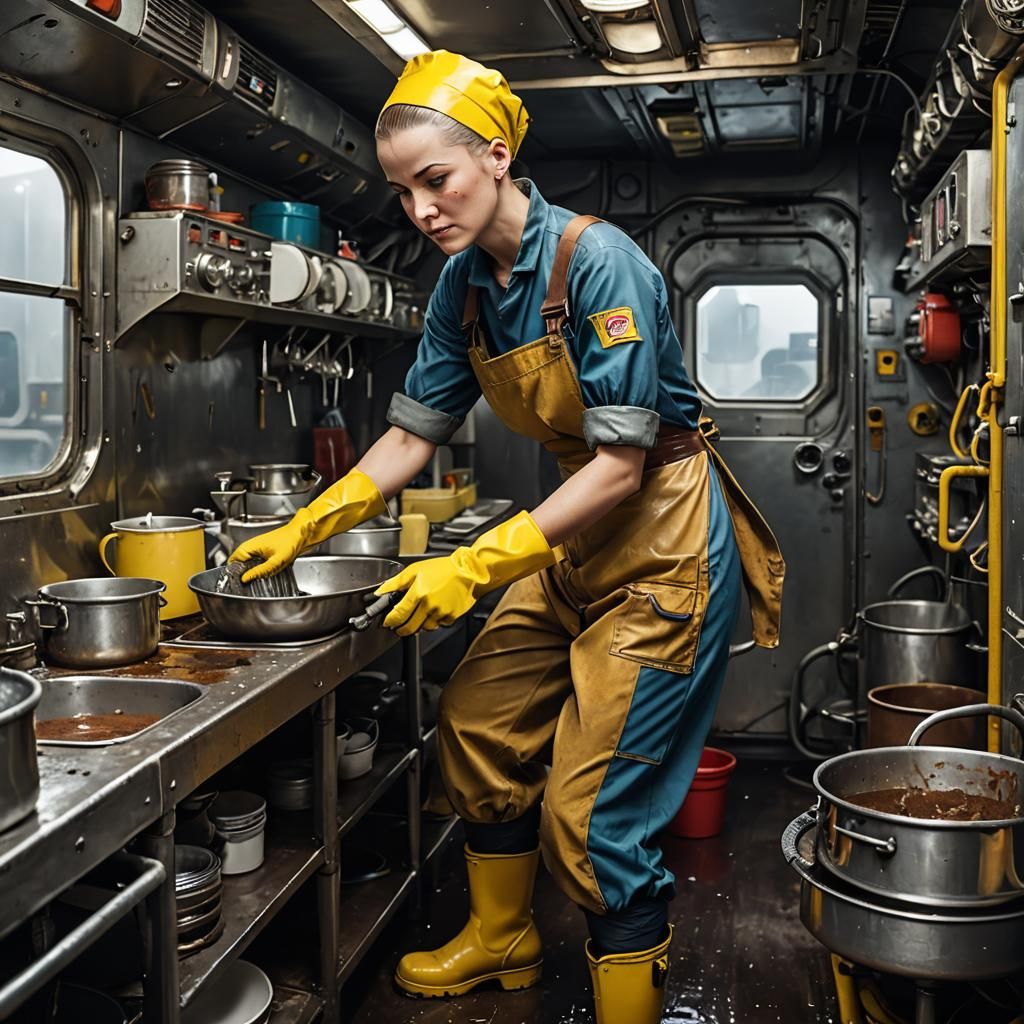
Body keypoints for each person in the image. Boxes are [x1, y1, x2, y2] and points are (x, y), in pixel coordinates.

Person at [232, 49, 785, 1024]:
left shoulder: (597, 262)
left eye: (435, 180)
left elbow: (619, 468)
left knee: (593, 817)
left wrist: (473, 564)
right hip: (575, 539)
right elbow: (413, 434)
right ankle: (502, 938)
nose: (420, 210)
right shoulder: (463, 287)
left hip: (660, 540)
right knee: (479, 722)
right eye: (403, 192)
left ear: (496, 156)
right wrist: (311, 520)